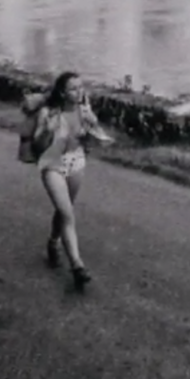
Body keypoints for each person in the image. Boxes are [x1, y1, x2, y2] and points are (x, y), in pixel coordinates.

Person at [33, 71, 109, 290]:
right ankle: (77, 265)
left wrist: (93, 128)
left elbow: (93, 138)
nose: (79, 92)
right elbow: (37, 147)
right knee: (67, 213)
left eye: (80, 87)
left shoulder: (84, 110)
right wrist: (47, 132)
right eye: (73, 88)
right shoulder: (48, 112)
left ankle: (54, 241)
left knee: (64, 210)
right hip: (52, 163)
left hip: (75, 161)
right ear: (62, 92)